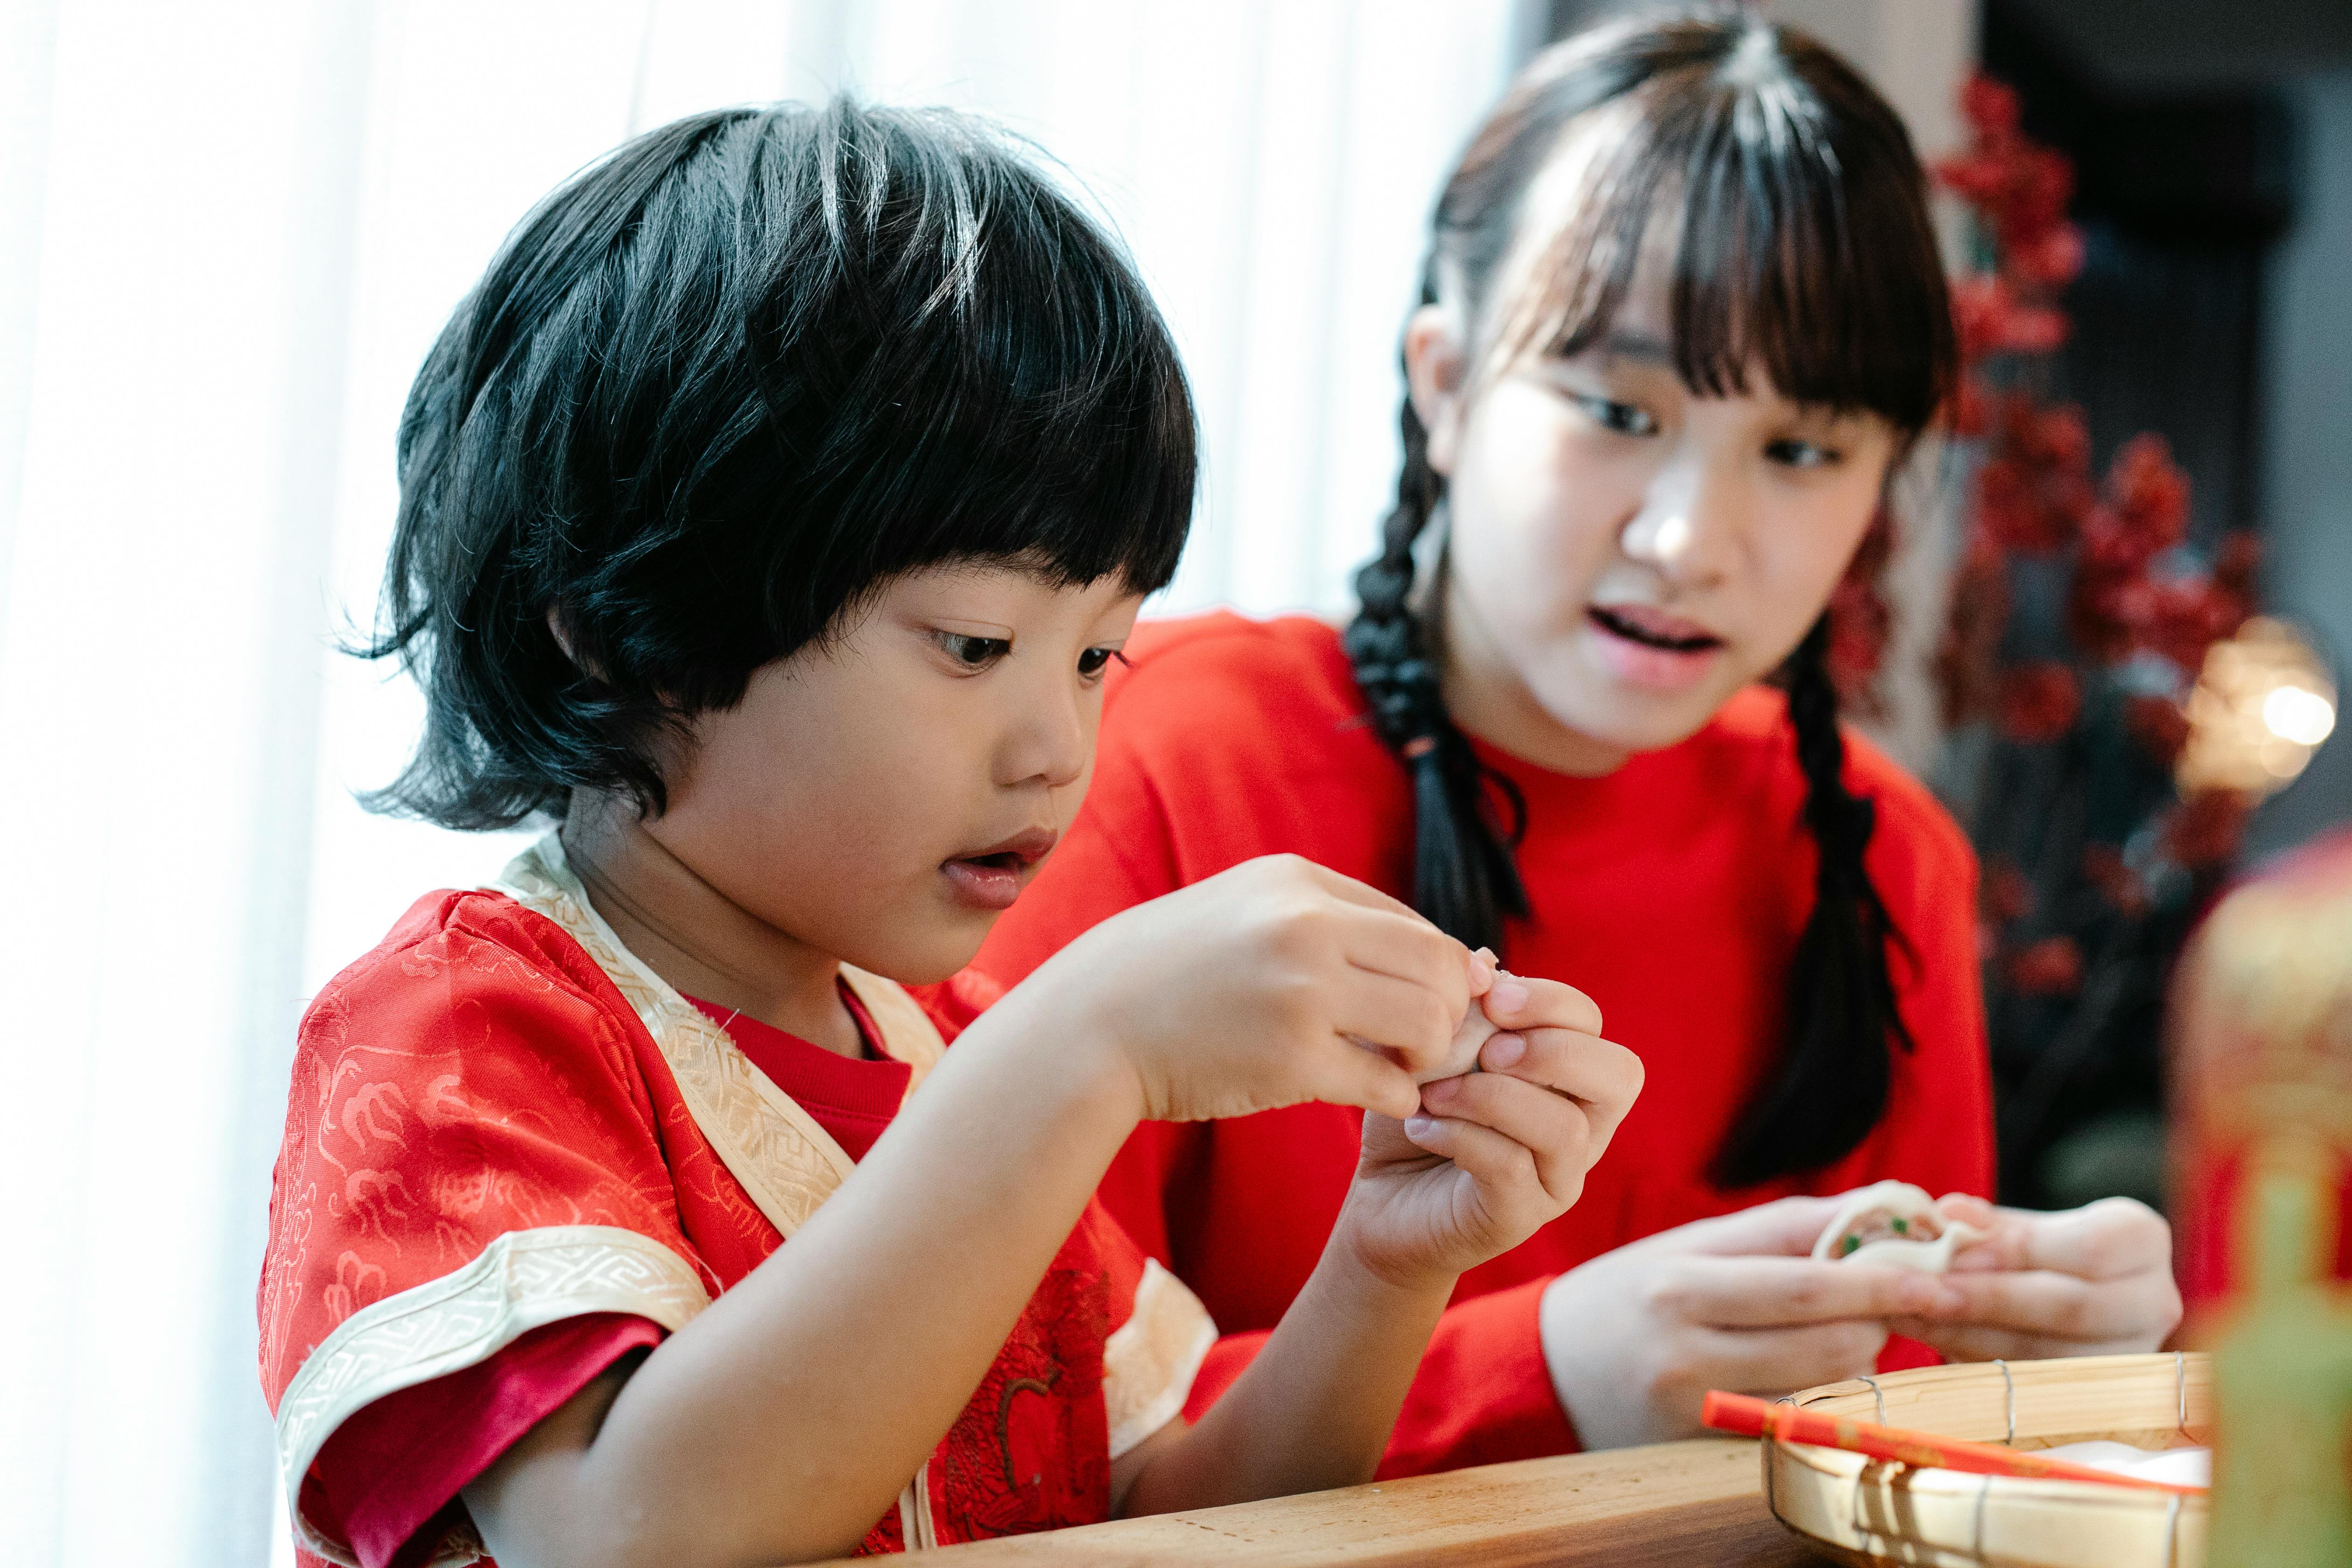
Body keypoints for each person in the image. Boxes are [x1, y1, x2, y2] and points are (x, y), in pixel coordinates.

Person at [256, 101, 1643, 1568]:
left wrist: (1381, 1267)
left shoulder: (946, 1053)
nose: (1060, 749)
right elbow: (617, 1535)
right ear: (627, 634)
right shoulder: (462, 1034)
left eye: (1100, 656)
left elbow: (1169, 1519)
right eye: (976, 646)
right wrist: (1076, 1052)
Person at [977, 13, 2181, 1473]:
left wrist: (2043, 1357)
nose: (1688, 540)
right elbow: (1016, 1435)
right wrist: (1549, 1369)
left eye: (1801, 450)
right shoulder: (1150, 755)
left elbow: (1888, 1447)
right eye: (1619, 410)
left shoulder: (1877, 853)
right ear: (1444, 385)